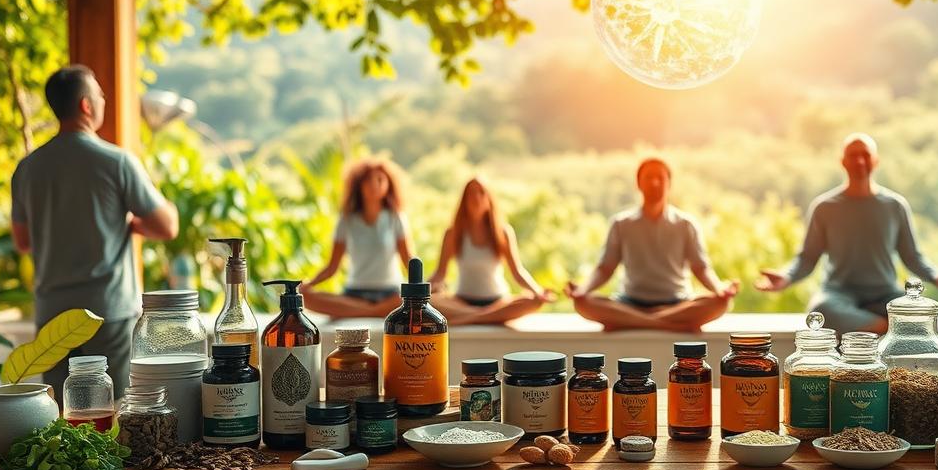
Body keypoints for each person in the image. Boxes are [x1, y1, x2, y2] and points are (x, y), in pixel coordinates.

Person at [11, 65, 179, 398]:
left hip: (52, 314)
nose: (104, 100)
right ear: (86, 105)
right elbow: (167, 226)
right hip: (108, 313)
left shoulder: (27, 168)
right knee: (116, 408)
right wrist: (131, 223)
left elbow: (23, 241)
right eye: (100, 95)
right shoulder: (116, 162)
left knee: (61, 412)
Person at [756, 133, 938, 333]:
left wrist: (937, 276)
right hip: (838, 295)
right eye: (853, 155)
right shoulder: (824, 208)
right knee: (820, 311)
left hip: (885, 293)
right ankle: (887, 328)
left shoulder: (895, 206)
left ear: (875, 161)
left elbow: (912, 256)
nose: (859, 161)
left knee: (919, 313)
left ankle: (873, 328)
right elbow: (807, 258)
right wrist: (786, 277)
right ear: (843, 162)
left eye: (865, 155)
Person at [567, 158, 737, 332]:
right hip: (630, 303)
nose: (654, 183)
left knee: (720, 303)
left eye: (660, 178)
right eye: (648, 178)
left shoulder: (686, 224)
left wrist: (720, 289)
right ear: (638, 184)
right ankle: (666, 324)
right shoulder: (621, 224)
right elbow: (605, 268)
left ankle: (633, 322)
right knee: (582, 303)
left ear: (669, 184)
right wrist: (582, 290)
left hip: (677, 303)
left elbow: (701, 268)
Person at [427, 178, 555, 325]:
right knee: (430, 302)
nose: (476, 198)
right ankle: (486, 316)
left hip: (498, 302)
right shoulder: (453, 233)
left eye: (481, 193)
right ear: (464, 200)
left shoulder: (503, 232)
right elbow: (440, 274)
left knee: (533, 301)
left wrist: (538, 292)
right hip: (462, 303)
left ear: (489, 199)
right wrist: (417, 293)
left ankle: (471, 318)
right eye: (471, 194)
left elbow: (517, 272)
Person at [302, 158, 413, 317]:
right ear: (359, 185)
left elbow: (408, 260)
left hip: (391, 295)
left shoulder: (395, 217)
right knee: (305, 298)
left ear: (389, 185)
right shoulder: (346, 220)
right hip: (354, 295)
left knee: (412, 301)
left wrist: (423, 286)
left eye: (380, 179)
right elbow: (332, 267)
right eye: (368, 180)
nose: (374, 185)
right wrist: (308, 285)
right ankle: (376, 311)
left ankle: (364, 311)